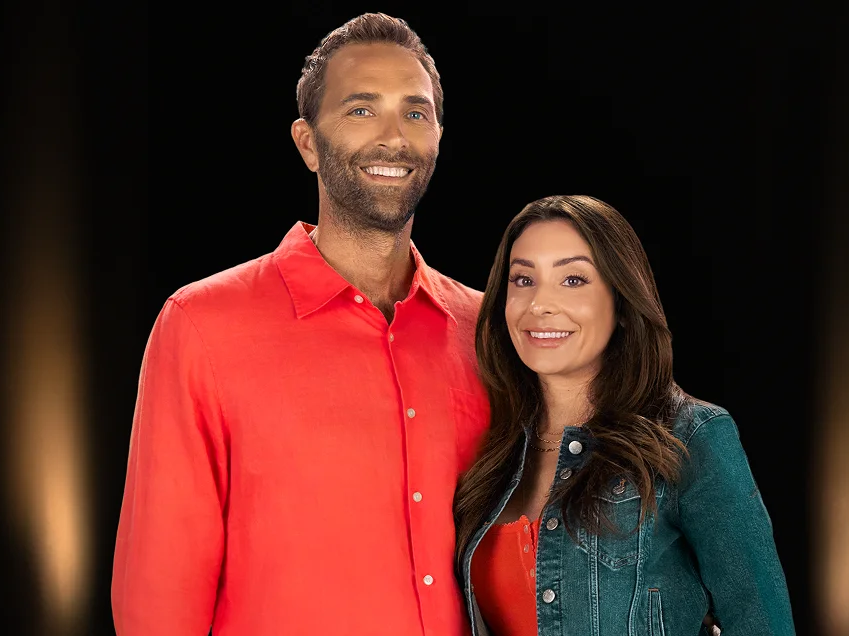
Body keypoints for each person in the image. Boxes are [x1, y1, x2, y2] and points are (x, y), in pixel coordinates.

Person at [111, 13, 491, 636]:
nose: (393, 137)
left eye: (415, 113)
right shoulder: (202, 326)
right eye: (362, 110)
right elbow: (157, 604)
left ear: (438, 138)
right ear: (308, 143)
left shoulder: (484, 333)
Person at [453, 195, 797, 636]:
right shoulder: (491, 449)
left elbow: (762, 623)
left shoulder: (690, 438)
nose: (539, 304)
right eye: (523, 280)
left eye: (573, 279)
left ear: (620, 301)